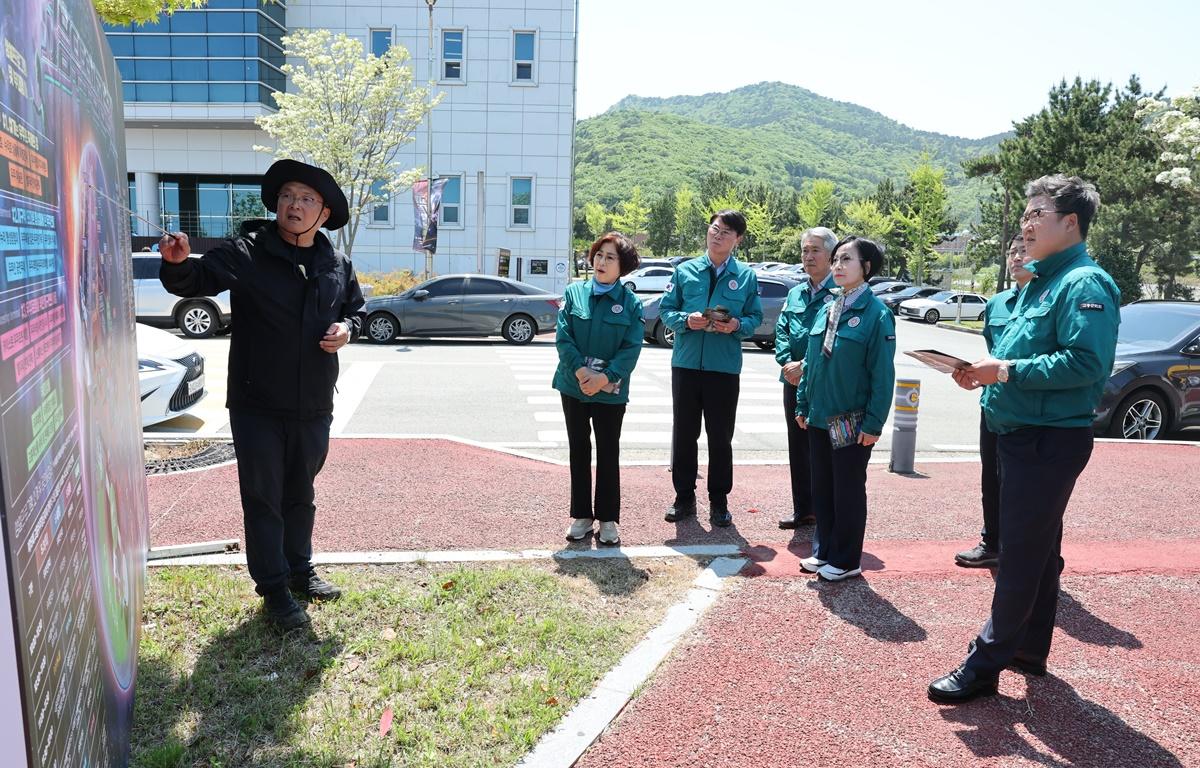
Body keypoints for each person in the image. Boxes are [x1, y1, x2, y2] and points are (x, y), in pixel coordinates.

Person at [929, 175, 1120, 703]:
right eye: (1025, 214)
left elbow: (1086, 363)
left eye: (1037, 213)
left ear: (1070, 223)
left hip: (1046, 440)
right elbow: (1014, 355)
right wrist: (982, 373)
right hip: (1019, 433)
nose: (1027, 224)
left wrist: (1007, 371)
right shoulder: (1040, 281)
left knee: (1018, 555)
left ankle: (983, 664)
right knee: (1039, 550)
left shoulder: (1083, 284)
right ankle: (1029, 650)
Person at [158, 159, 365, 630]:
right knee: (264, 496)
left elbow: (356, 309)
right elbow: (195, 280)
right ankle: (273, 588)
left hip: (314, 401)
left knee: (301, 492)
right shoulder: (247, 251)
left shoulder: (336, 263)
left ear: (324, 213)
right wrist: (176, 263)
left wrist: (347, 329)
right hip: (257, 403)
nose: (294, 205)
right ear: (276, 203)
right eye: (288, 196)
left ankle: (300, 570)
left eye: (307, 199)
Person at [794, 236, 895, 581]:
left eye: (846, 259)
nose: (838, 265)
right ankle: (824, 550)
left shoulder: (876, 314)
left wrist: (874, 422)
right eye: (836, 259)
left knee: (847, 490)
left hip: (850, 419)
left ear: (866, 267)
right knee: (822, 487)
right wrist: (803, 402)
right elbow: (812, 362)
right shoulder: (829, 307)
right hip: (820, 415)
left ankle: (847, 558)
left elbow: (882, 374)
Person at [659, 210, 763, 528]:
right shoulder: (685, 271)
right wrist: (684, 320)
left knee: (720, 438)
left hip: (724, 369)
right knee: (684, 434)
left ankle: (719, 501)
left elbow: (755, 318)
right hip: (687, 365)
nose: (718, 236)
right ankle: (684, 497)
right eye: (715, 229)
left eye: (726, 232)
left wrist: (736, 325)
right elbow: (666, 309)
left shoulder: (746, 276)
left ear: (738, 240)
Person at [553, 232, 644, 546]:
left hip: (610, 391)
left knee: (608, 451)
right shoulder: (574, 293)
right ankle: (581, 515)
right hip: (573, 385)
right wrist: (582, 372)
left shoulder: (630, 303)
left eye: (610, 257)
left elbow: (631, 349)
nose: (601, 262)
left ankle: (607, 518)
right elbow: (564, 338)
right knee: (578, 449)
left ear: (623, 266)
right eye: (599, 255)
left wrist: (604, 378)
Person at [954, 234, 1032, 568]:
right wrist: (976, 376)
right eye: (1012, 251)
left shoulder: (1048, 300)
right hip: (994, 405)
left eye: (1025, 251)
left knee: (1029, 487)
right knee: (991, 477)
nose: (1016, 257)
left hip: (1028, 410)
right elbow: (994, 353)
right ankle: (992, 542)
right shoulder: (997, 304)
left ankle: (1033, 553)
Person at [774, 227, 837, 531]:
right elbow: (782, 330)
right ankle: (803, 509)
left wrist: (805, 367)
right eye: (805, 251)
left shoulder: (839, 293)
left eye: (815, 250)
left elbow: (835, 342)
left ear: (831, 255)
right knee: (797, 446)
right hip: (793, 381)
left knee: (824, 448)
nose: (808, 257)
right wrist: (788, 363)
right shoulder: (795, 293)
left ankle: (827, 510)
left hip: (825, 383)